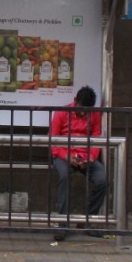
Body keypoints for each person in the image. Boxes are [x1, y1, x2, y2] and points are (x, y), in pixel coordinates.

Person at [49, 85, 107, 240]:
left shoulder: (93, 115)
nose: (82, 113)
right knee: (64, 177)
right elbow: (53, 141)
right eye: (80, 108)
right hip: (64, 155)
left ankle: (87, 220)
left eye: (86, 111)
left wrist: (91, 158)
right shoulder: (61, 113)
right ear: (75, 101)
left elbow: (96, 137)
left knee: (102, 179)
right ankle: (63, 224)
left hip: (86, 156)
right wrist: (68, 157)